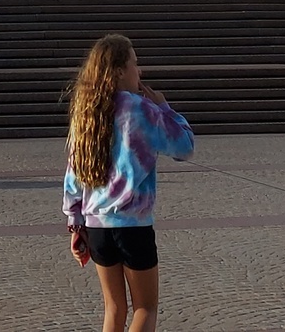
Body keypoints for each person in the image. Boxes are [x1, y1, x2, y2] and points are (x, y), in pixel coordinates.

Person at [63, 33, 195, 332]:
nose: (140, 71)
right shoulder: (140, 108)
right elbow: (184, 147)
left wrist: (75, 223)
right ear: (120, 70)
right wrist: (164, 108)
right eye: (136, 64)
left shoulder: (87, 111)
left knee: (113, 308)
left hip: (96, 226)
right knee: (145, 309)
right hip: (133, 225)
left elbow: (73, 173)